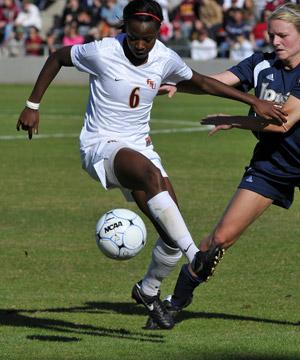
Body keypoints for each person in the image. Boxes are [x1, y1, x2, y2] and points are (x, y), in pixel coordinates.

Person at [16, 0, 285, 330]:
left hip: (141, 146)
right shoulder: (102, 51)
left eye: (148, 39)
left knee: (169, 231)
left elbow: (200, 81)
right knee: (149, 176)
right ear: (124, 29)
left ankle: (148, 290)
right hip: (101, 145)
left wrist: (251, 100)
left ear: (159, 33)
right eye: (133, 37)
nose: (140, 45)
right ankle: (195, 256)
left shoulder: (165, 57)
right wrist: (32, 104)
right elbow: (58, 56)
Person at [150, 2, 300, 330]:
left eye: (283, 35)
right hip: (271, 166)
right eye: (271, 34)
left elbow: (283, 123)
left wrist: (233, 120)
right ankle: (173, 306)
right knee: (219, 238)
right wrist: (180, 84)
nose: (275, 41)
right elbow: (219, 80)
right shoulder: (261, 63)